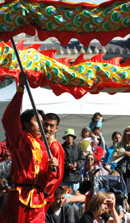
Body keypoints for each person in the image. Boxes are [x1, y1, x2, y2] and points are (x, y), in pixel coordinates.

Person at [0, 73, 59, 223]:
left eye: (43, 122)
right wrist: (20, 89)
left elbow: (50, 177)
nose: (42, 125)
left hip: (38, 199)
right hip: (20, 196)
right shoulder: (20, 139)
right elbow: (9, 119)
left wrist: (53, 168)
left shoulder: (45, 145)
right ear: (26, 123)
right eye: (37, 121)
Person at [43, 113, 65, 206]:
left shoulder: (55, 147)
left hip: (43, 194)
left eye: (51, 126)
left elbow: (58, 176)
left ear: (56, 128)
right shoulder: (39, 142)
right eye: (46, 125)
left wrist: (44, 192)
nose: (48, 128)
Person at [61, 128, 85, 193]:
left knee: (75, 197)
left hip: (76, 177)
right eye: (67, 136)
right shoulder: (61, 148)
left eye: (71, 136)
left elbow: (82, 159)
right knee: (64, 197)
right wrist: (68, 165)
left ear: (73, 137)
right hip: (65, 177)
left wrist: (77, 165)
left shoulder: (78, 147)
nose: (69, 137)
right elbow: (59, 161)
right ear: (65, 138)